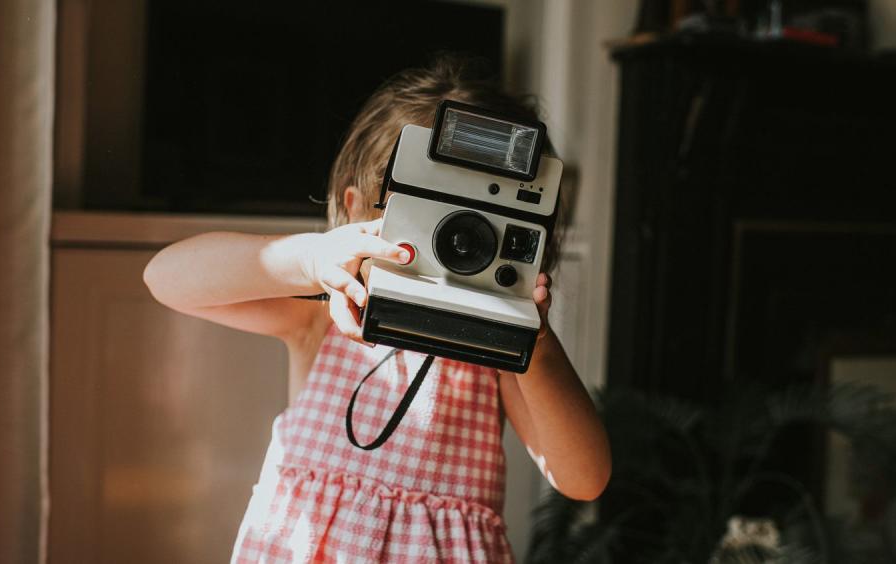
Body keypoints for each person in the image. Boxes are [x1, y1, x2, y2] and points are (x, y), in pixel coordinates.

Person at [143, 55, 611, 563]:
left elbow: (583, 478)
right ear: (359, 209)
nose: (459, 238)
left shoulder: (495, 355)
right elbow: (167, 280)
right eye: (436, 211)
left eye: (480, 222)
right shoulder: (324, 316)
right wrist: (308, 258)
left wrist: (533, 342)